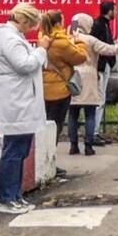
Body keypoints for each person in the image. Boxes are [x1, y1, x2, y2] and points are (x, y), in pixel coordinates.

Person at [0, 3, 50, 214]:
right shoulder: (8, 38)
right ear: (23, 20)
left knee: (21, 148)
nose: (32, 29)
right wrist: (41, 49)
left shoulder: (13, 37)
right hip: (17, 99)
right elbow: (23, 65)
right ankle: (5, 197)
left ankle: (14, 195)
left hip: (22, 98)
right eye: (31, 24)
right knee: (14, 150)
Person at [69, 14, 118, 156]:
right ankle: (88, 146)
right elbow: (110, 49)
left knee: (72, 114)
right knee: (89, 113)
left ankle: (73, 145)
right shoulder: (90, 40)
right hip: (89, 78)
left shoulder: (68, 39)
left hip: (72, 77)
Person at [40, 11, 88, 146]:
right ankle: (50, 160)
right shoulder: (61, 43)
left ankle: (44, 157)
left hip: (45, 87)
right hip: (60, 89)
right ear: (57, 23)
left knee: (46, 124)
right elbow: (81, 57)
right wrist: (78, 40)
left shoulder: (43, 38)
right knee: (56, 126)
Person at [90, 1, 117, 146]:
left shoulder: (104, 24)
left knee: (101, 99)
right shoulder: (99, 25)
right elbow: (100, 47)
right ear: (109, 11)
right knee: (99, 100)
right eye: (114, 10)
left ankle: (95, 131)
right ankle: (93, 133)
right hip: (100, 67)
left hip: (104, 65)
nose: (116, 13)